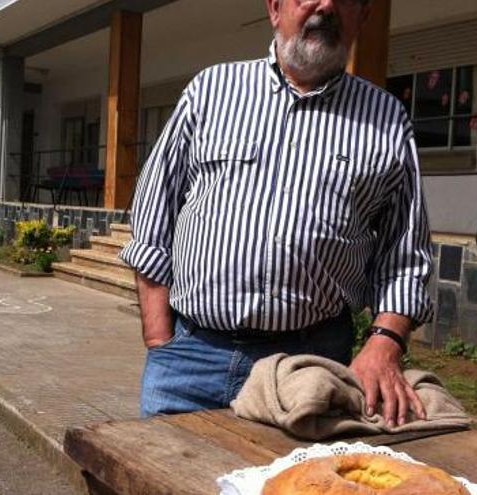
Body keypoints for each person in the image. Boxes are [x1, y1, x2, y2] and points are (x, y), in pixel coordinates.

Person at [119, 0, 434, 429]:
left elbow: (406, 256)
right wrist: (161, 340)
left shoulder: (387, 120)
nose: (325, 6)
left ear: (363, 16)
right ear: (274, 8)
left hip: (310, 368)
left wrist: (385, 343)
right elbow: (155, 210)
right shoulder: (212, 91)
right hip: (190, 361)